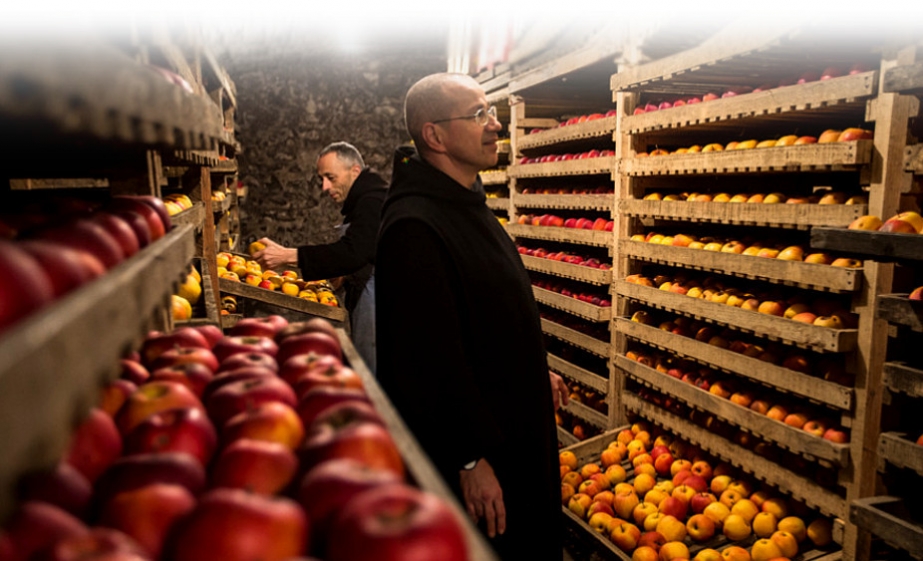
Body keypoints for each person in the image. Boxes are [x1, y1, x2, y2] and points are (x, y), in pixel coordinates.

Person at [375, 72, 569, 560]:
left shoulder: (466, 204)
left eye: (492, 111)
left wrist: (532, 371)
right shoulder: (415, 227)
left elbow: (484, 313)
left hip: (512, 427)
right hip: (486, 459)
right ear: (434, 136)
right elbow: (425, 359)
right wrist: (467, 457)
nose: (495, 124)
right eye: (478, 114)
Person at [253, 141, 386, 373]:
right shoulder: (364, 199)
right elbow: (367, 248)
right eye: (322, 178)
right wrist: (345, 275)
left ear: (354, 171)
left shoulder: (373, 201)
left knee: (373, 373)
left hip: (379, 303)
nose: (324, 186)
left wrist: (288, 255)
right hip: (367, 298)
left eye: (331, 177)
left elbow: (354, 252)